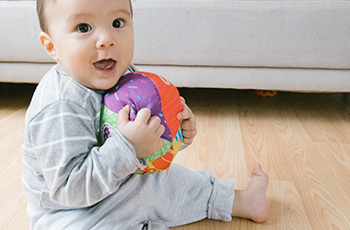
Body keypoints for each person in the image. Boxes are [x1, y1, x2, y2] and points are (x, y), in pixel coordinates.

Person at [21, 0, 269, 229]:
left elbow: (147, 147)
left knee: (172, 182)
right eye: (83, 27)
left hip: (124, 180)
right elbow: (68, 189)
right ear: (52, 46)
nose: (106, 39)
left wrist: (173, 132)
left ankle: (244, 201)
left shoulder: (126, 77)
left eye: (117, 23)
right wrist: (128, 147)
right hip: (70, 209)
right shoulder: (59, 107)